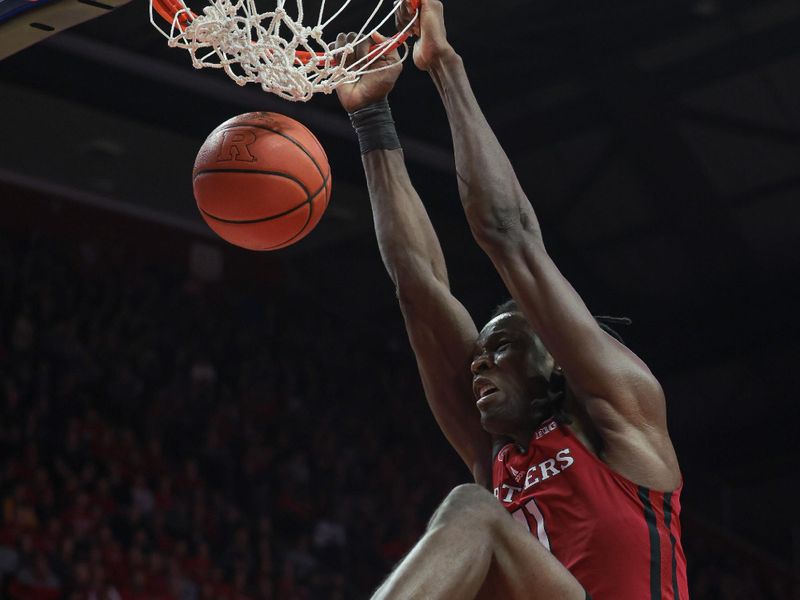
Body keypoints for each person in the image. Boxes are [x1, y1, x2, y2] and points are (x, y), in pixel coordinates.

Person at [335, 1, 688, 598]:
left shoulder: (625, 418)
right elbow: (417, 284)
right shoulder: (496, 458)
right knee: (476, 509)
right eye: (481, 353)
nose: (477, 361)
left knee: (474, 511)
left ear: (553, 361)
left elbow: (510, 234)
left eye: (498, 348)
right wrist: (372, 117)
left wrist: (442, 65)